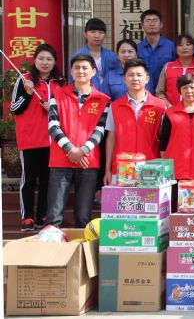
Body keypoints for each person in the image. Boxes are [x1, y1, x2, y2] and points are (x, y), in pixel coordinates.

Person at [46, 54, 110, 228]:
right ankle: (52, 244)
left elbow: (100, 130)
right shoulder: (58, 94)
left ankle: (82, 246)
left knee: (83, 216)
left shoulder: (103, 99)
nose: (80, 71)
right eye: (77, 68)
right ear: (71, 71)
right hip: (60, 160)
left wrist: (82, 151)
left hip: (88, 162)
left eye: (85, 68)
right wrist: (71, 150)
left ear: (93, 71)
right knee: (54, 215)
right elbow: (53, 126)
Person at [10, 44, 63, 231]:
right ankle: (27, 217)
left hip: (52, 140)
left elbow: (67, 109)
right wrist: (28, 93)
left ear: (54, 61)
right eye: (41, 58)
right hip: (30, 139)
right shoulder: (24, 80)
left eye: (49, 59)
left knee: (47, 180)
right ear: (35, 60)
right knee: (29, 180)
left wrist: (54, 108)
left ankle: (42, 215)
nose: (45, 62)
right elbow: (14, 108)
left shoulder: (60, 82)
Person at [104, 59, 167, 186]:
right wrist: (107, 170)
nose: (135, 78)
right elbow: (111, 138)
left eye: (139, 75)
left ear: (147, 79)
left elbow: (163, 140)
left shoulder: (159, 106)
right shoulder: (115, 106)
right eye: (131, 75)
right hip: (122, 168)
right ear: (124, 79)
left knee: (149, 199)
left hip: (151, 167)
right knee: (123, 199)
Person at [70, 18, 118, 95]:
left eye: (101, 32)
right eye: (92, 32)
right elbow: (72, 81)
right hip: (86, 96)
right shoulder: (78, 56)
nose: (97, 35)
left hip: (109, 96)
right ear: (85, 34)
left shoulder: (112, 56)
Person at [156, 34, 194, 107]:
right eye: (180, 45)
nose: (184, 48)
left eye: (188, 44)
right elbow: (159, 92)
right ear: (175, 50)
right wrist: (169, 106)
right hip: (171, 110)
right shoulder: (168, 67)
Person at [136, 9, 176, 93]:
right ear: (142, 25)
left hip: (165, 93)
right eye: (148, 21)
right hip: (143, 93)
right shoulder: (137, 48)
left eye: (155, 20)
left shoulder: (171, 46)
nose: (152, 24)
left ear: (161, 24)